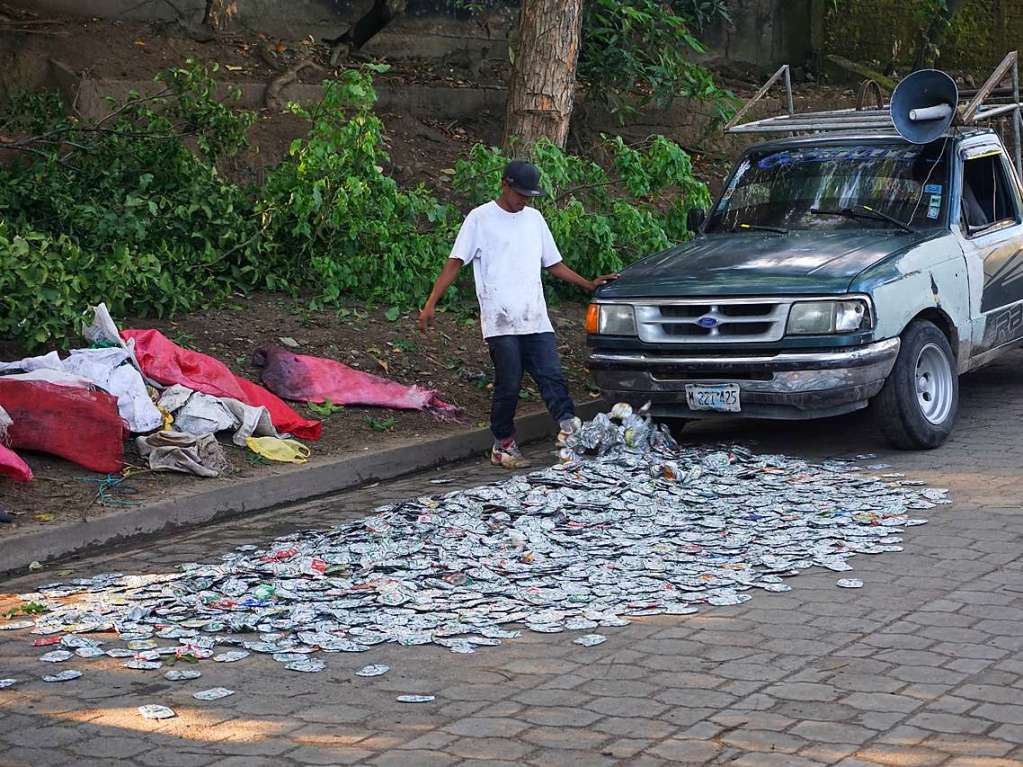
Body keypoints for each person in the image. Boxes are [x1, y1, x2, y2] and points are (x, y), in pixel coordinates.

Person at [419, 160, 618, 469]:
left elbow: (553, 264)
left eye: (529, 195)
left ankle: (569, 429)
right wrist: (431, 302)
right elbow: (455, 262)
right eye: (520, 194)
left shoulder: (534, 220)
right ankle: (503, 444)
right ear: (504, 185)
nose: (524, 200)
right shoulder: (480, 219)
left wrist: (587, 284)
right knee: (509, 383)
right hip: (500, 319)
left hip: (534, 316)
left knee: (551, 374)